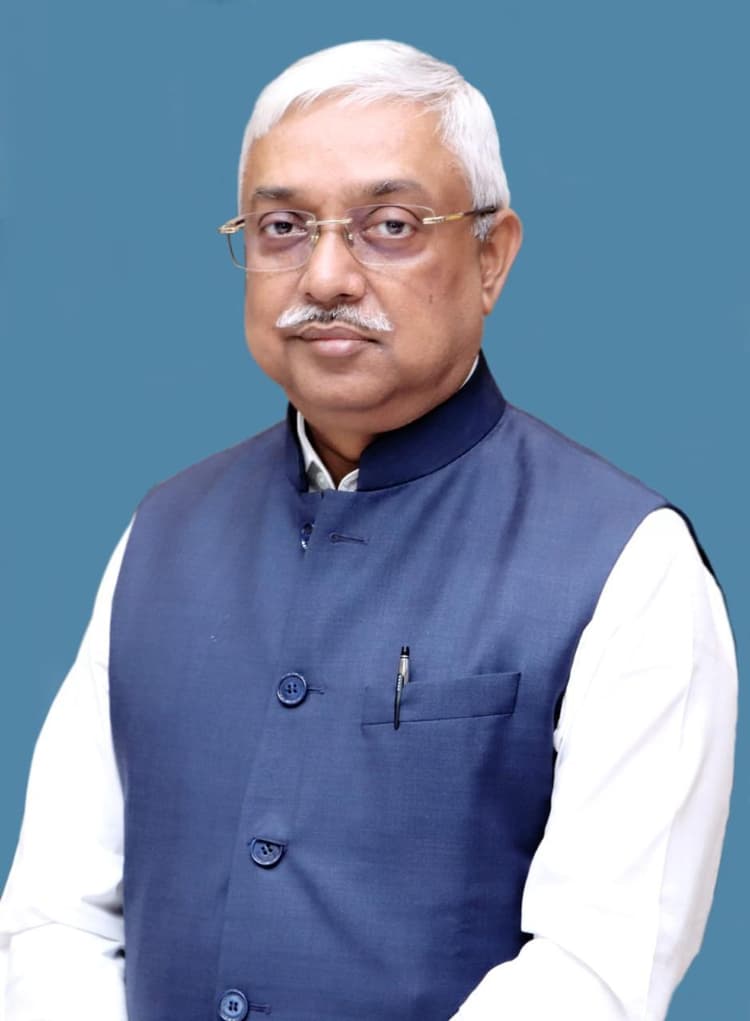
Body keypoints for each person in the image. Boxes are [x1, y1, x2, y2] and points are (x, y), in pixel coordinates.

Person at [0, 39, 737, 1021]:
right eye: (282, 227)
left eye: (389, 225)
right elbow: (55, 915)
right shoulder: (162, 531)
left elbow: (595, 970)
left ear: (491, 256)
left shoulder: (627, 561)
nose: (327, 275)